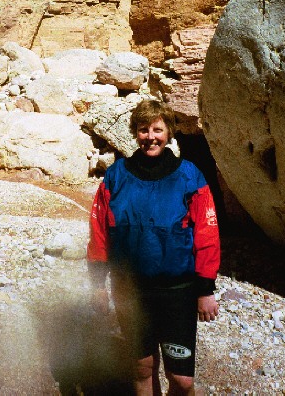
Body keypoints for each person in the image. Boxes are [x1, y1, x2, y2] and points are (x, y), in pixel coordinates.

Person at [87, 99, 220, 395]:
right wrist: (98, 284)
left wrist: (205, 288)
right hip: (130, 291)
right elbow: (99, 234)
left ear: (169, 132)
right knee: (141, 367)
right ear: (135, 133)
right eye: (144, 129)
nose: (151, 137)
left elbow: (207, 234)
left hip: (178, 293)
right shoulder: (116, 176)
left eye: (158, 129)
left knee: (182, 381)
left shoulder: (189, 176)